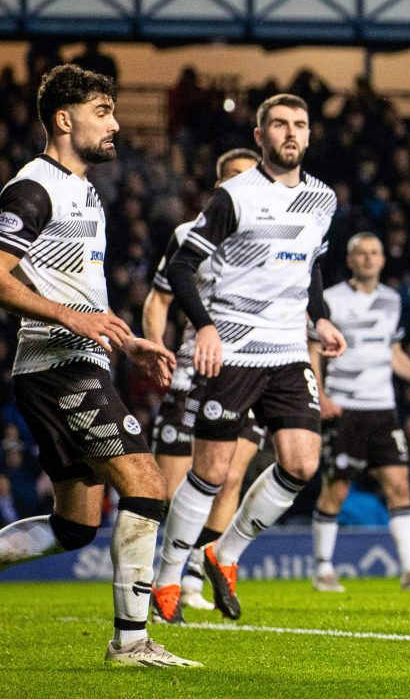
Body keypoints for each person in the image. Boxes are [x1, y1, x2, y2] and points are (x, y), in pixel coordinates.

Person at [0, 64, 198, 667]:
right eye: (103, 112)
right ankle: (131, 643)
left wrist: (126, 340)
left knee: (77, 525)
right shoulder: (31, 189)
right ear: (64, 120)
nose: (116, 125)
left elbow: (77, 290)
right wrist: (75, 319)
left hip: (82, 360)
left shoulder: (84, 190)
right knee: (146, 486)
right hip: (58, 366)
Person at [153, 93, 346, 621]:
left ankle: (225, 553)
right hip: (233, 349)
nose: (290, 133)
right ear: (260, 136)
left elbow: (311, 268)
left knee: (302, 463)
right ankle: (168, 576)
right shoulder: (233, 197)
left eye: (299, 125)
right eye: (279, 124)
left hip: (287, 350)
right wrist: (207, 328)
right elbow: (182, 269)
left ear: (308, 135)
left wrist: (321, 317)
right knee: (211, 471)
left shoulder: (323, 200)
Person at [143, 148, 267, 622]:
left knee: (231, 475)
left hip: (256, 370)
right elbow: (158, 299)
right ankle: (156, 579)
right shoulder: (187, 235)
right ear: (219, 188)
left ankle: (194, 576)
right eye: (235, 178)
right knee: (169, 486)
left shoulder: (271, 232)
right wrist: (159, 349)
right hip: (198, 370)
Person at [309, 232, 410, 593]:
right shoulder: (330, 300)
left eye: (375, 253)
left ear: (384, 260)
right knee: (337, 489)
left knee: (400, 486)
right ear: (351, 259)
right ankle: (323, 569)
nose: (369, 259)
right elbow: (313, 350)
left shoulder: (392, 300)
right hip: (345, 407)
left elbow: (394, 355)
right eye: (362, 253)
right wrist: (321, 395)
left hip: (382, 408)